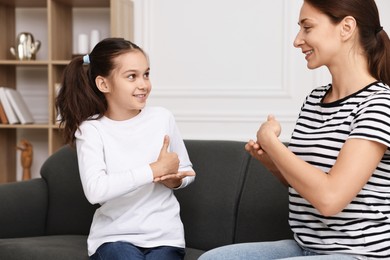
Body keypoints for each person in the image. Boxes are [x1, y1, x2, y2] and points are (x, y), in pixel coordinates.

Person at [199, 0, 390, 259]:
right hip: (307, 247)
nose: (297, 40)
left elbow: (330, 199)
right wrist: (272, 161)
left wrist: (273, 143)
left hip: (358, 254)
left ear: (346, 28)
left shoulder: (378, 103)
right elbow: (305, 184)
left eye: (307, 27)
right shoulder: (315, 99)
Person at [56, 37, 196, 260]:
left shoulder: (162, 118)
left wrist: (175, 180)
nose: (143, 84)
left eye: (146, 74)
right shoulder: (91, 130)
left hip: (165, 238)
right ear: (104, 84)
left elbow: (187, 170)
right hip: (114, 238)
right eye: (132, 76)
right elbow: (95, 190)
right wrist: (154, 170)